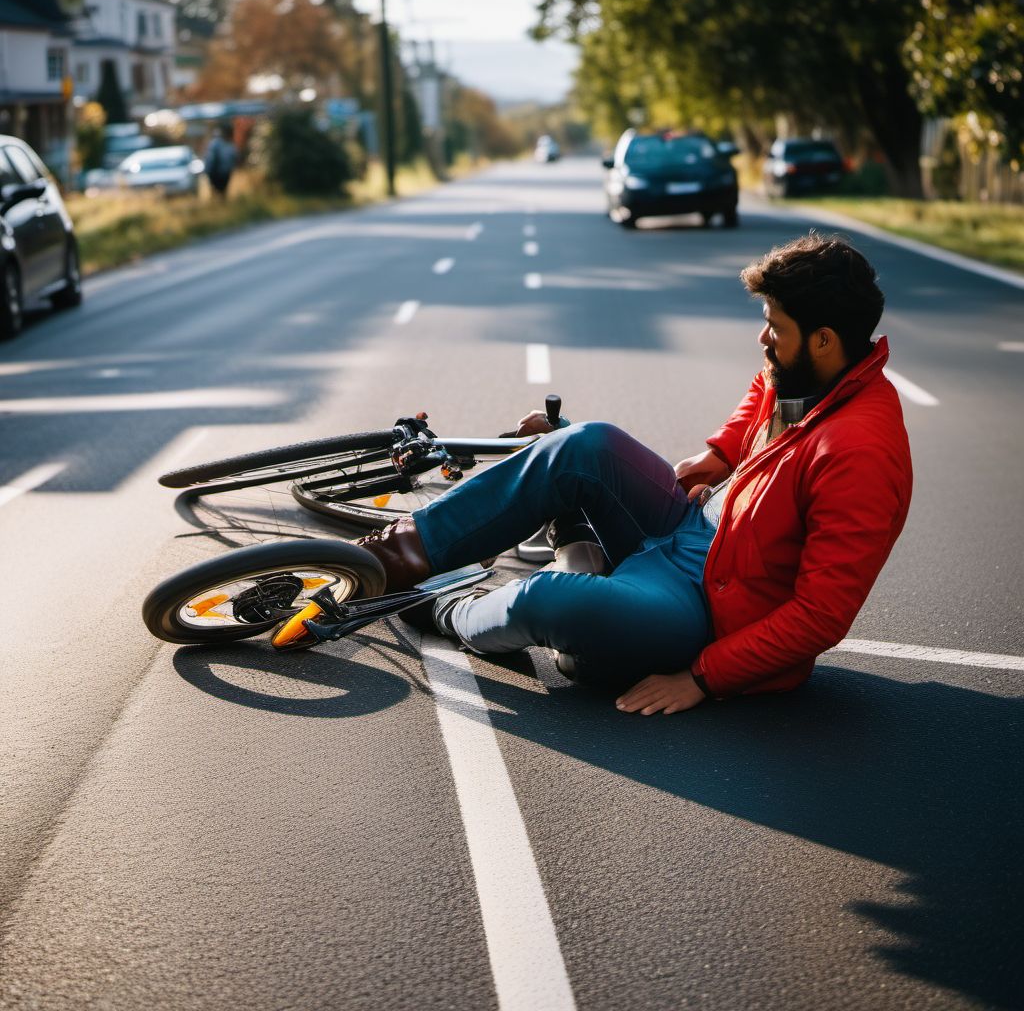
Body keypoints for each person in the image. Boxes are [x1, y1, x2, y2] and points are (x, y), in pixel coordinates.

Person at [277, 233, 913, 715]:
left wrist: (702, 678)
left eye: (774, 327)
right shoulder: (804, 372)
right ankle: (393, 559)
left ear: (825, 340)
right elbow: (763, 394)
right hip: (693, 531)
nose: (763, 340)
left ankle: (443, 604)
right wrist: (719, 456)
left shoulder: (862, 452)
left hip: (705, 611)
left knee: (552, 599)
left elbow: (821, 616)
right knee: (587, 444)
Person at [204, 124, 237, 199]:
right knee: (221, 192)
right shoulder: (227, 145)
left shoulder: (214, 144)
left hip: (219, 172)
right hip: (221, 172)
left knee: (217, 191)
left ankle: (218, 204)